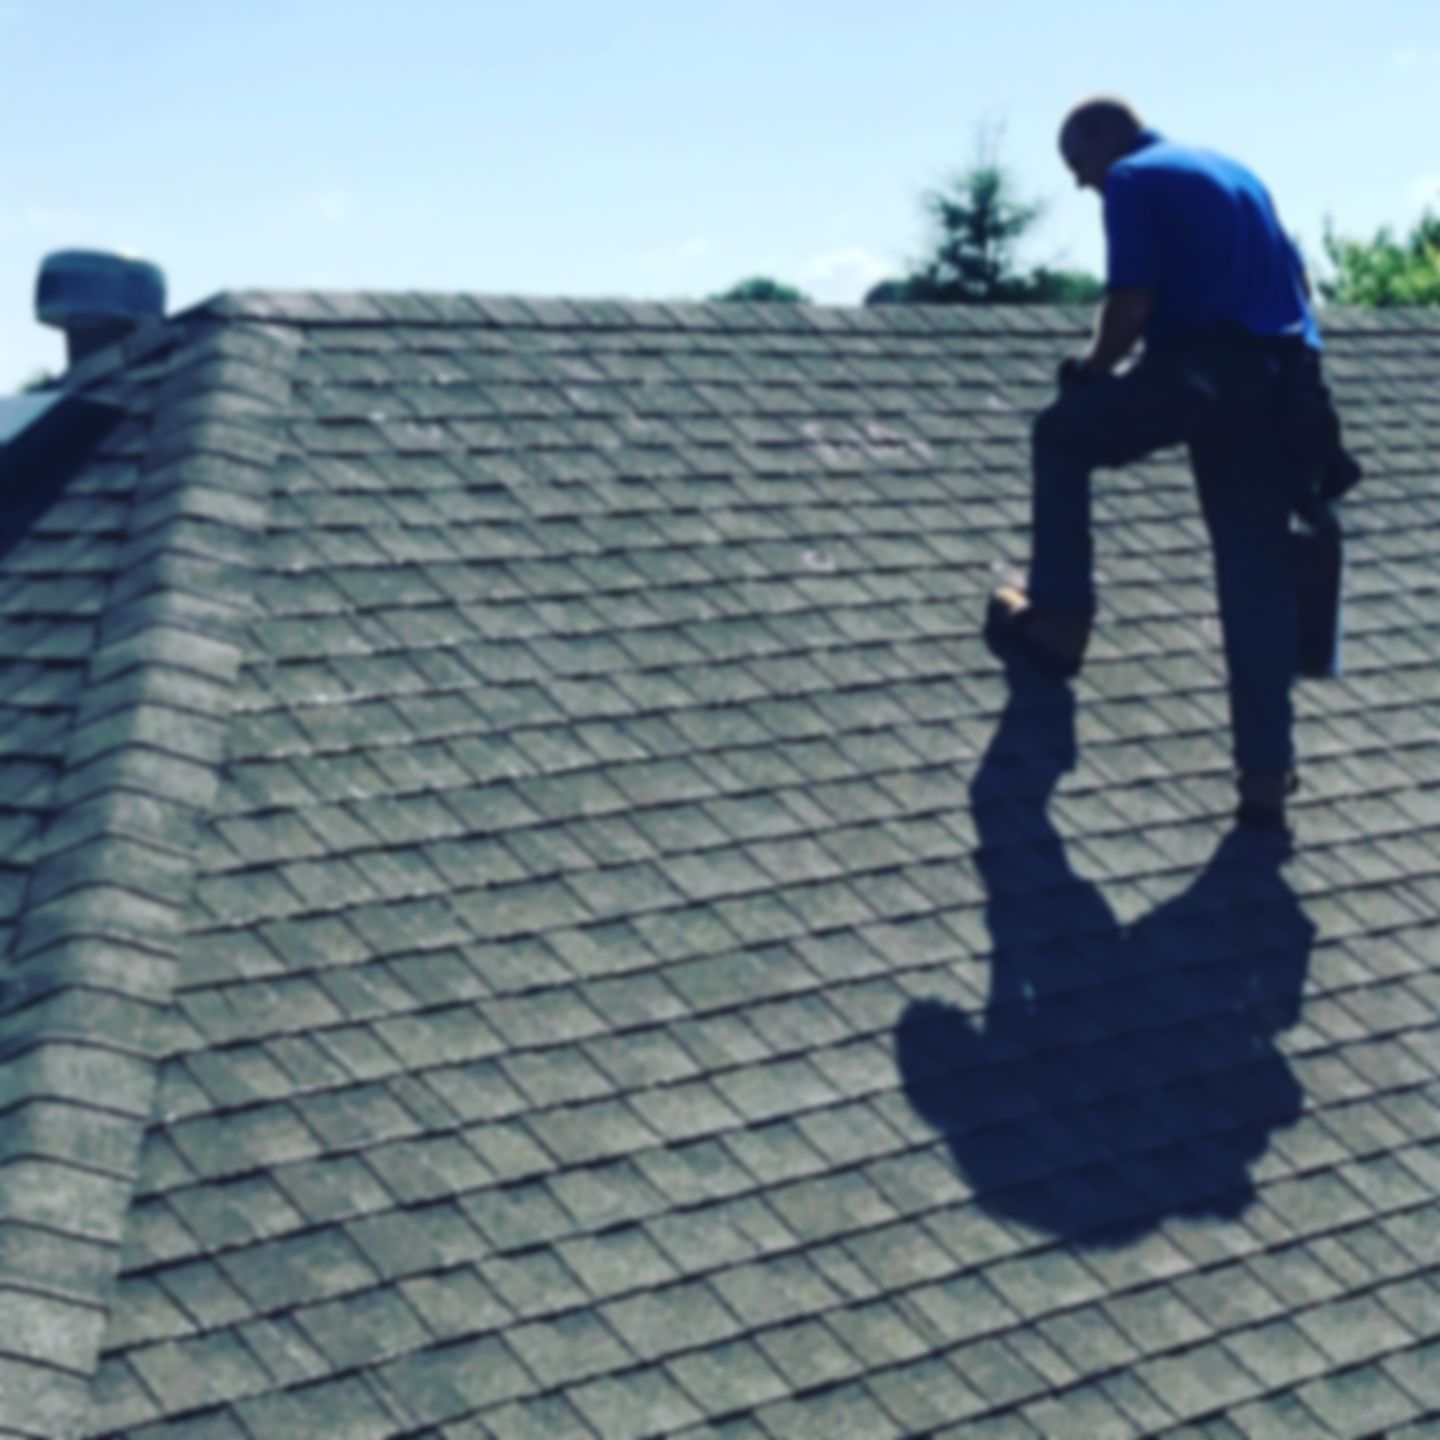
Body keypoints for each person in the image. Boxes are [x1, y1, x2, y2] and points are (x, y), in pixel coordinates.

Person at [987, 97, 1357, 830]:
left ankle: (1059, 619)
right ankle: (1264, 779)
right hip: (1287, 384)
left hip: (1204, 371)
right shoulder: (1235, 173)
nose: (1080, 184)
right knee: (1253, 578)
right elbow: (1301, 293)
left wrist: (1093, 371)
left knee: (1061, 435)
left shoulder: (1134, 178)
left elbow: (1131, 304)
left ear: (1102, 137)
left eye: (1076, 164)